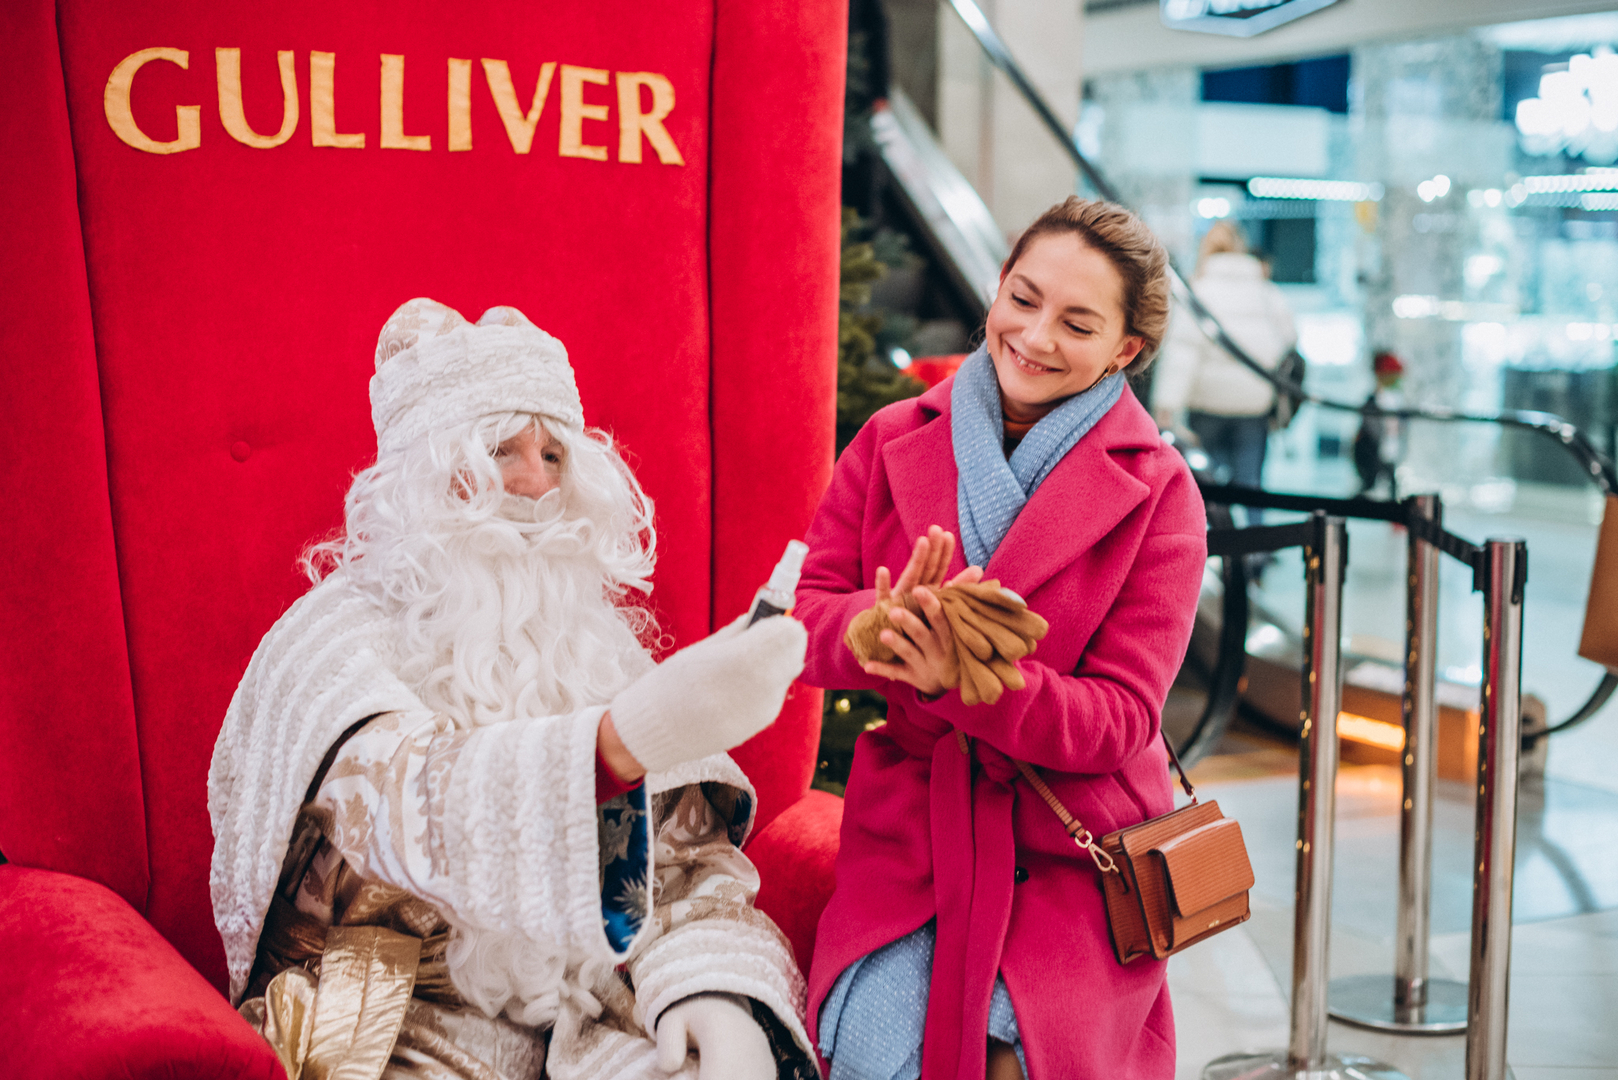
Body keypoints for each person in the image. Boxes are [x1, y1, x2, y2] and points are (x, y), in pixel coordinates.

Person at [209, 299, 819, 1080]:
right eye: (502, 449)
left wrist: (711, 993)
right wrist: (619, 744)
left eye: (555, 455)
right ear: (428, 477)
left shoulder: (593, 639)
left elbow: (682, 875)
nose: (535, 483)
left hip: (585, 1016)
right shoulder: (332, 640)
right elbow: (400, 811)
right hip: (390, 1019)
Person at [796, 198, 1207, 1080]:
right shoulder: (890, 440)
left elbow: (1120, 720)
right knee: (872, 1044)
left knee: (1019, 1058)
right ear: (997, 287)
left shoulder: (1161, 491)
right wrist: (871, 631)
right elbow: (806, 622)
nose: (1035, 335)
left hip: (1071, 854)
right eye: (1023, 298)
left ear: (1124, 350)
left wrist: (970, 680)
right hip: (916, 832)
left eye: (1078, 322)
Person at [1151, 219, 1297, 493]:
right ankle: (1254, 534)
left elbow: (1183, 351)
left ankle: (1215, 536)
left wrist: (1166, 406)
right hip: (1255, 405)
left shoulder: (1198, 290)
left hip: (1207, 405)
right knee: (1251, 485)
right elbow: (1288, 340)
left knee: (1206, 487)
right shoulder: (1266, 292)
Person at [1352, 350, 1406, 496]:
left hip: (1387, 451)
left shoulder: (1396, 400)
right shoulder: (1373, 401)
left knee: (1390, 485)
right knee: (1370, 485)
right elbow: (1370, 429)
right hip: (1373, 452)